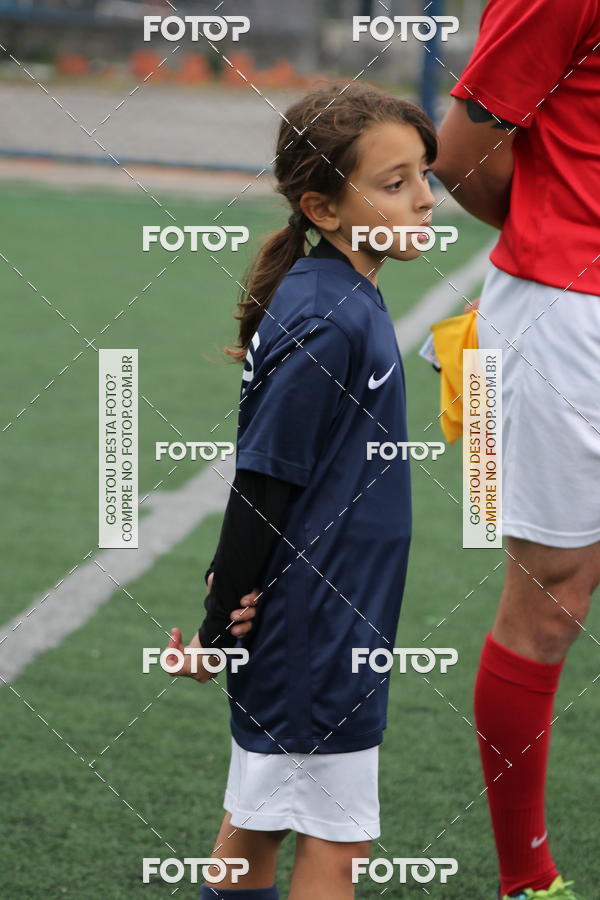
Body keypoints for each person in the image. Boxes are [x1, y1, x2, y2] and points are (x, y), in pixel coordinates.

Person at [164, 80, 437, 899]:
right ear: (322, 208)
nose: (425, 199)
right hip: (318, 631)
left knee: (256, 826)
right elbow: (262, 482)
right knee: (333, 844)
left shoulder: (347, 294)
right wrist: (221, 620)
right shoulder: (329, 319)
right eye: (394, 185)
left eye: (424, 173)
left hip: (322, 617)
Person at [433, 1, 600, 898]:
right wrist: (556, 233)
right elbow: (462, 159)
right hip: (567, 316)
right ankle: (527, 882)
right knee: (550, 595)